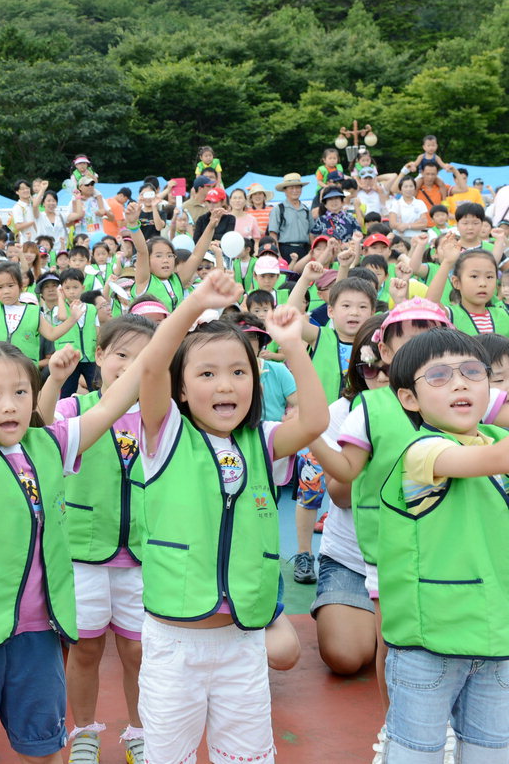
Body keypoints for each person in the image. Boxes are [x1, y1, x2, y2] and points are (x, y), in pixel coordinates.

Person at [0, 332, 151, 764]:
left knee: (45, 747)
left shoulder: (49, 445)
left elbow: (117, 399)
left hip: (39, 637)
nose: (9, 404)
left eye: (21, 391)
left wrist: (189, 312)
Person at [136, 270, 328, 764]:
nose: (225, 384)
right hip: (174, 642)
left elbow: (314, 421)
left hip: (243, 640)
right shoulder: (164, 436)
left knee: (246, 755)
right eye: (206, 374)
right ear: (180, 390)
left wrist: (293, 347)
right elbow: (152, 368)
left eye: (238, 372)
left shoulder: (262, 442)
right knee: (168, 755)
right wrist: (194, 303)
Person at [380, 328, 509, 762]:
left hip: (498, 639)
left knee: (492, 753)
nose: (460, 383)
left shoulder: (492, 439)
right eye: (438, 376)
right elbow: (491, 461)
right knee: (415, 754)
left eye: (473, 372)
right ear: (408, 399)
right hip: (430, 643)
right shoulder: (422, 451)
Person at [38, 315, 156, 764]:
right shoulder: (77, 406)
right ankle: (84, 731)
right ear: (101, 356)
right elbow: (40, 423)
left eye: (142, 357)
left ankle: (141, 731)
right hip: (85, 553)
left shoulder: (160, 414)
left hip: (143, 554)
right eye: (121, 354)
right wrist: (54, 380)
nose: (129, 365)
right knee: (85, 648)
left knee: (138, 651)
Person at [308, 315, 386, 674]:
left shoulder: (440, 414)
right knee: (345, 657)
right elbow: (340, 496)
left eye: (391, 366)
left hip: (421, 559)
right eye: (369, 367)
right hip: (352, 558)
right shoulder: (342, 413)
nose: (381, 376)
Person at [0, 250, 87, 363]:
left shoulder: (33, 311)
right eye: (0, 287)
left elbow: (51, 334)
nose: (6, 291)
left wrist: (73, 319)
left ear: (21, 286)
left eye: (10, 285)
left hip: (24, 369)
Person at [289, 268, 377, 403]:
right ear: (331, 311)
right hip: (321, 418)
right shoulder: (319, 336)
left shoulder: (377, 342)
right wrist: (305, 278)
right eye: (346, 306)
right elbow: (289, 317)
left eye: (362, 307)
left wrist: (399, 299)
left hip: (363, 418)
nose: (354, 312)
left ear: (372, 313)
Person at [127, 202, 223, 311]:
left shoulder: (177, 280)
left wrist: (211, 225)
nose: (165, 260)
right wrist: (133, 224)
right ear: (147, 261)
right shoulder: (144, 280)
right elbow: (142, 251)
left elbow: (197, 255)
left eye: (169, 255)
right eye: (158, 256)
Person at [427, 242, 509, 335]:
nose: (483, 284)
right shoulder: (451, 315)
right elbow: (431, 304)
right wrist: (447, 262)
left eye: (489, 277)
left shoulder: (505, 314)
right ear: (456, 282)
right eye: (474, 276)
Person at [54, 268, 99, 397]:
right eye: (67, 288)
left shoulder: (91, 308)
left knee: (96, 389)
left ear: (83, 287)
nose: (72, 291)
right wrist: (60, 298)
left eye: (75, 287)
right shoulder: (59, 308)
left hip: (89, 356)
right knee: (67, 391)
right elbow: (62, 317)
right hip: (69, 357)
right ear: (62, 289)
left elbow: (97, 330)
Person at [268, 173, 312, 262]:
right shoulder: (278, 209)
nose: (295, 190)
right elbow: (273, 235)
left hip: (305, 250)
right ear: (285, 190)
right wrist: (277, 255)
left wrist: (312, 252)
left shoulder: (306, 210)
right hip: (285, 250)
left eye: (298, 187)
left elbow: (311, 234)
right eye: (291, 188)